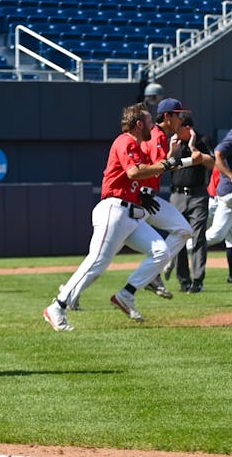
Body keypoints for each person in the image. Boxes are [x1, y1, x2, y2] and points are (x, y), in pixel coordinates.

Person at [43, 103, 183, 332]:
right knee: (97, 263)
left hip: (131, 215)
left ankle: (126, 294)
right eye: (149, 121)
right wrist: (166, 163)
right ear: (139, 124)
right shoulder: (125, 140)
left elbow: (147, 172)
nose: (152, 125)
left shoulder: (137, 146)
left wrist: (168, 160)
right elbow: (134, 172)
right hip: (114, 209)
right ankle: (58, 306)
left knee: (161, 251)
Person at [140, 98, 195, 299]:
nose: (181, 118)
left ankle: (153, 275)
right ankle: (67, 298)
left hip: (145, 197)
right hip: (140, 199)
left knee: (183, 230)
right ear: (167, 116)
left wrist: (174, 155)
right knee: (103, 254)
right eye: (178, 114)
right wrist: (186, 159)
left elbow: (158, 165)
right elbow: (156, 168)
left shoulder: (159, 134)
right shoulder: (158, 135)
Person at [164, 115, 214, 293]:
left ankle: (197, 280)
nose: (177, 131)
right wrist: (172, 151)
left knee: (198, 237)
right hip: (177, 195)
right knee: (179, 237)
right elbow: (162, 165)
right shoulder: (174, 143)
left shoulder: (202, 140)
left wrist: (193, 147)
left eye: (180, 128)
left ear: (189, 128)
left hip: (198, 195)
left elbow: (212, 163)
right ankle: (183, 280)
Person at [204, 109, 232, 286]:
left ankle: (183, 246)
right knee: (231, 238)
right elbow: (218, 153)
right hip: (228, 193)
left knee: (215, 235)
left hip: (224, 196)